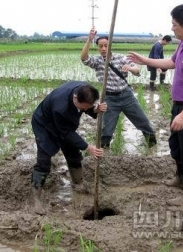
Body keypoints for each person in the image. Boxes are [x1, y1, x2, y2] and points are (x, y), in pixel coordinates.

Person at [127, 4, 183, 202]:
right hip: (179, 106)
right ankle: (181, 178)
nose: (171, 28)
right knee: (176, 146)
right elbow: (170, 63)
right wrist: (144, 60)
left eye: (174, 24)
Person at [31, 81, 107, 215]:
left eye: (86, 107)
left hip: (64, 125)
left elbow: (86, 106)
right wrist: (88, 147)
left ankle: (78, 183)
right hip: (45, 125)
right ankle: (36, 199)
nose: (84, 110)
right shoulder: (60, 107)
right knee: (44, 161)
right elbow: (65, 133)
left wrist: (95, 110)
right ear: (75, 98)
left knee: (73, 154)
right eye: (83, 108)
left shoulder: (84, 90)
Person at [80, 28, 157, 149]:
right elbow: (84, 58)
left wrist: (131, 69)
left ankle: (152, 146)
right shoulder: (97, 61)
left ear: (110, 45)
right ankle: (104, 151)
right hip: (109, 98)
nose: (104, 49)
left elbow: (137, 70)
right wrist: (89, 40)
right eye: (101, 46)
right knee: (106, 129)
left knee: (143, 121)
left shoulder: (121, 58)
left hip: (126, 96)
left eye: (106, 45)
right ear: (98, 48)